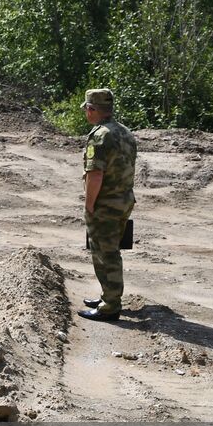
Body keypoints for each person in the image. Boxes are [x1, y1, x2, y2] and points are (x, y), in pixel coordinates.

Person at [78, 88, 137, 321]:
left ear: (92, 110)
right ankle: (108, 295)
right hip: (123, 200)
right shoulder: (125, 132)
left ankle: (110, 305)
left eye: (87, 109)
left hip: (105, 204)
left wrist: (89, 204)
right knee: (109, 249)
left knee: (105, 252)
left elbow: (95, 175)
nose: (86, 113)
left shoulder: (100, 135)